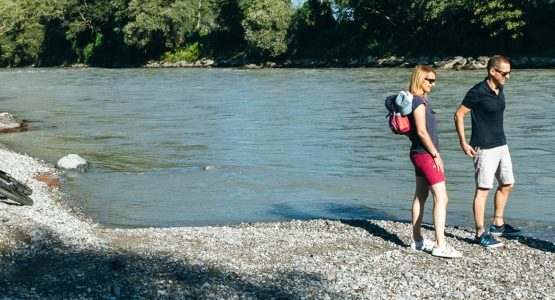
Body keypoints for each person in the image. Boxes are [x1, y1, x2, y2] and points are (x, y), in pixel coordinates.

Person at [454, 55, 521, 248]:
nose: (508, 76)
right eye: (504, 73)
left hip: (502, 145)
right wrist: (463, 143)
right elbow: (458, 115)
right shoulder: (477, 91)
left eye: (509, 73)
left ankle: (498, 224)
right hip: (483, 147)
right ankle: (479, 233)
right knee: (483, 190)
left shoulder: (500, 89)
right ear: (492, 71)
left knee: (508, 183)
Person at [407, 65, 462, 258]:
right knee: (442, 197)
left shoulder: (415, 100)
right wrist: (436, 154)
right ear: (419, 79)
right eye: (429, 80)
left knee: (421, 196)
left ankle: (417, 240)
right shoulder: (418, 102)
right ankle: (440, 245)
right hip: (425, 155)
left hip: (417, 153)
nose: (432, 83)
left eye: (434, 80)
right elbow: (421, 131)